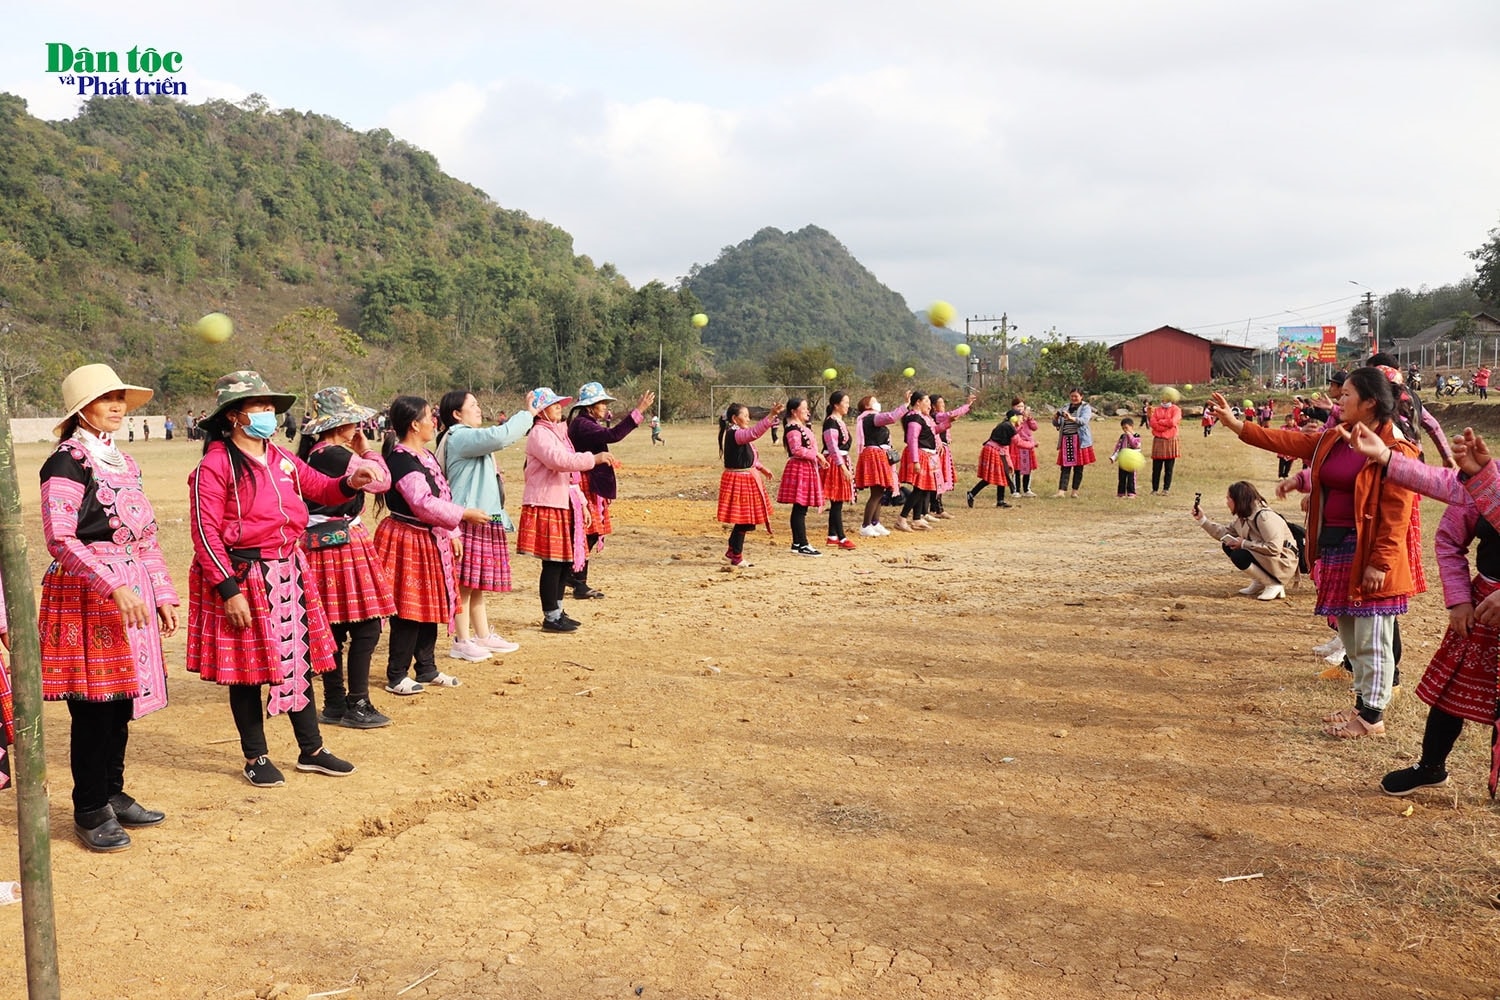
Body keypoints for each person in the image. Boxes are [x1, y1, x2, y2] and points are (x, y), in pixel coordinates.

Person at [188, 371, 383, 786]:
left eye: (270, 407)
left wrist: (350, 481)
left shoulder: (281, 458)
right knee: (248, 670)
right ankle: (255, 756)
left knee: (300, 657)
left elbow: (323, 489)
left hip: (289, 569)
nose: (269, 414)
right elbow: (205, 532)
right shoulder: (216, 464)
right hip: (245, 574)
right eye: (258, 407)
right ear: (233, 416)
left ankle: (311, 749)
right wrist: (229, 590)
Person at [1209, 368, 1417, 739]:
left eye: (1347, 394)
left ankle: (1372, 718)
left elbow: (1397, 513)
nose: (1339, 400)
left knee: (1373, 638)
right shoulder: (1336, 439)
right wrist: (1235, 424)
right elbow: (1284, 441)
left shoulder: (1395, 448)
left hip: (1367, 552)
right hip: (1338, 548)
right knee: (1352, 637)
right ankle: (1360, 706)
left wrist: (1379, 563)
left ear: (1370, 402)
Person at [38, 364, 178, 851]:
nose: (117, 405)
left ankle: (113, 791)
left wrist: (160, 592)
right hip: (87, 593)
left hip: (131, 588)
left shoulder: (125, 462)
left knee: (121, 702)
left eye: (121, 396)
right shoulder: (66, 462)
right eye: (106, 398)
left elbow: (147, 536)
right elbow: (60, 538)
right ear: (82, 407)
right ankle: (89, 808)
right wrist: (111, 585)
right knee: (95, 706)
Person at [1340, 424, 1500, 795]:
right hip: (1481, 606)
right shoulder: (1488, 477)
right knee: (1450, 690)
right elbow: (1445, 489)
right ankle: (1430, 767)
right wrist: (1385, 457)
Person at [297, 387, 396, 729]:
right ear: (342, 424)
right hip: (343, 544)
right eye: (354, 421)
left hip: (320, 544)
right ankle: (357, 702)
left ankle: (335, 702)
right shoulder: (339, 455)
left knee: (335, 627)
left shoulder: (315, 454)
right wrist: (367, 449)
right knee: (367, 625)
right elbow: (382, 482)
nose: (358, 426)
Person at [375, 396, 488, 693]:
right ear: (415, 424)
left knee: (431, 604)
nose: (433, 422)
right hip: (407, 539)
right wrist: (462, 515)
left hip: (430, 537)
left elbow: (440, 497)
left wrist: (452, 534)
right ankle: (397, 675)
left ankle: (426, 668)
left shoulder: (424, 455)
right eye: (429, 417)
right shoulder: (401, 460)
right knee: (409, 608)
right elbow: (422, 503)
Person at [436, 389, 536, 661]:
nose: (479, 409)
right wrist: (528, 413)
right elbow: (500, 436)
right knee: (464, 586)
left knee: (476, 584)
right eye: (474, 405)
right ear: (457, 414)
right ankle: (461, 640)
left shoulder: (465, 437)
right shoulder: (460, 435)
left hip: (481, 517)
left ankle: (481, 635)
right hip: (467, 519)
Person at [518, 388, 619, 632]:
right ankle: (551, 616)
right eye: (553, 405)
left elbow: (571, 475)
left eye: (559, 404)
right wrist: (595, 458)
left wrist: (581, 503)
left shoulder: (558, 432)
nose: (559, 408)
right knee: (553, 563)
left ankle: (558, 611)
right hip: (547, 503)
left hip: (563, 502)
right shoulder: (540, 434)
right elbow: (559, 462)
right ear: (541, 410)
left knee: (564, 561)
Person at [567, 382, 654, 597]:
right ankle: (576, 579)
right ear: (590, 407)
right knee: (588, 532)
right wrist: (639, 411)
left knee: (590, 532)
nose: (605, 407)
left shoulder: (583, 423)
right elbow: (614, 435)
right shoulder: (583, 425)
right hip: (586, 482)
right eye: (602, 403)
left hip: (590, 482)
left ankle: (573, 576)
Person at [1192, 481, 1298, 601]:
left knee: (1239, 554)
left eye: (1228, 498)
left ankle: (1273, 584)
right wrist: (1202, 520)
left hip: (1283, 563)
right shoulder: (1244, 516)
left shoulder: (1265, 517)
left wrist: (1243, 543)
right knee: (1228, 545)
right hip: (1269, 559)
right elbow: (1225, 532)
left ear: (1238, 500)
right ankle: (1260, 581)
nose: (1226, 502)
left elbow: (1274, 548)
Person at [717, 402, 783, 566]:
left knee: (745, 520)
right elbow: (754, 433)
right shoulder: (735, 433)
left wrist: (762, 468)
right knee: (745, 520)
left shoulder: (737, 432)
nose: (748, 418)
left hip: (746, 477)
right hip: (740, 480)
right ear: (734, 418)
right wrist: (770, 416)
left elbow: (750, 455)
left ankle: (732, 551)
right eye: (745, 416)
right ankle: (736, 556)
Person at [778, 397, 830, 555]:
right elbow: (797, 450)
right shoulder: (793, 428)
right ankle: (802, 544)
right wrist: (818, 456)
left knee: (800, 508)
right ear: (794, 411)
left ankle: (797, 543)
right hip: (800, 468)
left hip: (805, 467)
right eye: (804, 408)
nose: (808, 411)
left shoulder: (800, 426)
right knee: (800, 508)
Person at [852, 395, 907, 536]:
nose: (877, 403)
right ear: (866, 406)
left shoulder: (869, 418)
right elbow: (891, 417)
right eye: (874, 401)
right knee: (876, 493)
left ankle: (875, 522)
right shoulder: (871, 418)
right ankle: (865, 525)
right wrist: (905, 405)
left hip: (878, 455)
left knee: (880, 492)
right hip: (874, 455)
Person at [897, 391, 941, 532]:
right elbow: (912, 440)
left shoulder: (921, 417)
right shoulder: (914, 418)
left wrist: (950, 422)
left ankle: (916, 519)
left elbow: (932, 431)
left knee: (923, 488)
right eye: (927, 401)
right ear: (918, 402)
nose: (929, 405)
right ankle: (902, 519)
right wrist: (915, 461)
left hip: (926, 455)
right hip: (920, 455)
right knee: (919, 489)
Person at [929, 392, 975, 518]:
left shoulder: (938, 416)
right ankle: (938, 509)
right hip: (939, 450)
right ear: (933, 406)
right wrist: (967, 405)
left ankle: (935, 508)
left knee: (939, 480)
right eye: (940, 403)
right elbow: (951, 415)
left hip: (943, 449)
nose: (943, 405)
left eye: (944, 403)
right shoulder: (937, 416)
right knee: (938, 479)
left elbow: (953, 417)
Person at [821, 391, 857, 549]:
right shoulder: (831, 422)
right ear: (836, 405)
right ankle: (841, 538)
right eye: (845, 402)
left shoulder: (839, 421)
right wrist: (842, 467)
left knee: (838, 502)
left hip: (841, 461)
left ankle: (832, 535)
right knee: (836, 501)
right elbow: (832, 447)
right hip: (835, 463)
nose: (848, 406)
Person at [966, 416, 1016, 507]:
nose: (1022, 419)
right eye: (1020, 417)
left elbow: (1005, 448)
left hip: (997, 450)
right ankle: (972, 493)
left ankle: (1000, 501)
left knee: (1002, 475)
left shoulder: (1006, 426)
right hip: (993, 450)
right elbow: (1017, 442)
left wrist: (1009, 464)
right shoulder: (1008, 426)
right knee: (990, 477)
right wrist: (1032, 444)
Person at [1053, 389, 1095, 498]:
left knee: (1078, 467)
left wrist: (1071, 418)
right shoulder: (1065, 407)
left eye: (1076, 396)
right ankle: (1061, 491)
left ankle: (1074, 491)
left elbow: (1084, 421)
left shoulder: (1086, 408)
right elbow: (1057, 424)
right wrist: (1056, 417)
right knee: (1065, 467)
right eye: (1072, 396)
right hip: (1066, 440)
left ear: (1082, 396)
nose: (1073, 398)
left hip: (1079, 440)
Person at [1147, 393, 1180, 496]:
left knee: (1168, 468)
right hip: (1158, 440)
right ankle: (1154, 489)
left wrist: (1160, 422)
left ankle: (1166, 489)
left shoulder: (1176, 409)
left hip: (1170, 440)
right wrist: (1164, 425)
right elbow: (1153, 423)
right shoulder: (1157, 410)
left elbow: (1173, 422)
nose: (1164, 400)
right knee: (1156, 468)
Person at [1010, 404, 1039, 497]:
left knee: (1028, 468)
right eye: (1017, 406)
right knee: (1016, 468)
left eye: (1022, 406)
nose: (1020, 408)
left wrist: (1029, 419)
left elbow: (1035, 427)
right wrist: (1021, 421)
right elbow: (1014, 430)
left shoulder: (1028, 418)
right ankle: (1016, 490)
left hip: (1028, 445)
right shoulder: (1012, 418)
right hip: (1017, 445)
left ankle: (1027, 489)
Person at [1109, 418, 1141, 499]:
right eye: (1123, 428)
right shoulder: (1122, 436)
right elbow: (1118, 447)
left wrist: (1130, 435)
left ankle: (1131, 493)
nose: (1124, 430)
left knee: (1131, 477)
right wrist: (1114, 457)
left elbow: (1135, 445)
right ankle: (1121, 493)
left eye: (1126, 427)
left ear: (1132, 426)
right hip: (1123, 459)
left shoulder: (1136, 435)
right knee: (1122, 477)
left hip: (1132, 460)